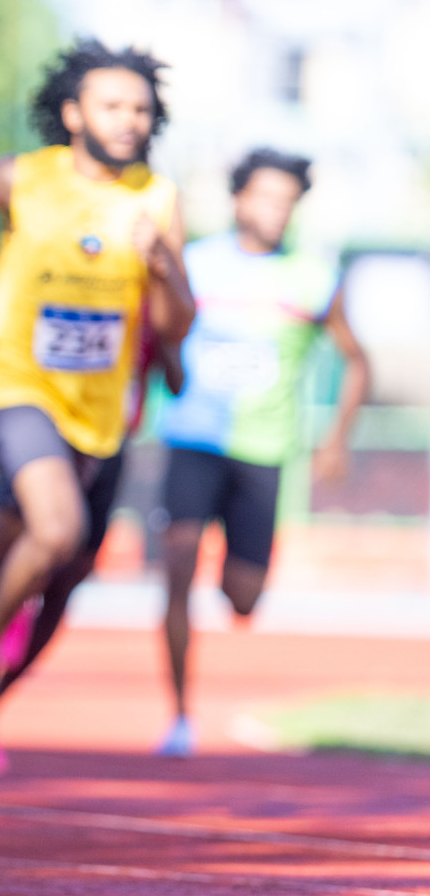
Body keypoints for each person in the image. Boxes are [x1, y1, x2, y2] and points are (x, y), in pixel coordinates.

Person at [0, 38, 195, 792]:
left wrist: (163, 265)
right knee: (55, 530)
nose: (129, 120)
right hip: (13, 381)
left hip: (99, 412)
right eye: (113, 106)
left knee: (18, 564)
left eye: (141, 109)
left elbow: (178, 320)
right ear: (72, 112)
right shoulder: (23, 178)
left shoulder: (156, 200)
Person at [153, 148, 368, 758]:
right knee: (177, 567)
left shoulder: (313, 277)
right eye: (265, 197)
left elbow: (358, 361)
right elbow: (159, 333)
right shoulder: (193, 264)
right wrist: (166, 369)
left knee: (243, 600)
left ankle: (236, 580)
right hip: (194, 439)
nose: (275, 211)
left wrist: (336, 439)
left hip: (264, 451)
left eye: (286, 201)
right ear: (238, 199)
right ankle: (178, 715)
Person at [0, 328, 183, 776]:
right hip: (49, 437)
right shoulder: (72, 268)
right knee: (27, 564)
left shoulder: (149, 288)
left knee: (61, 592)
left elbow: (174, 377)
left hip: (110, 442)